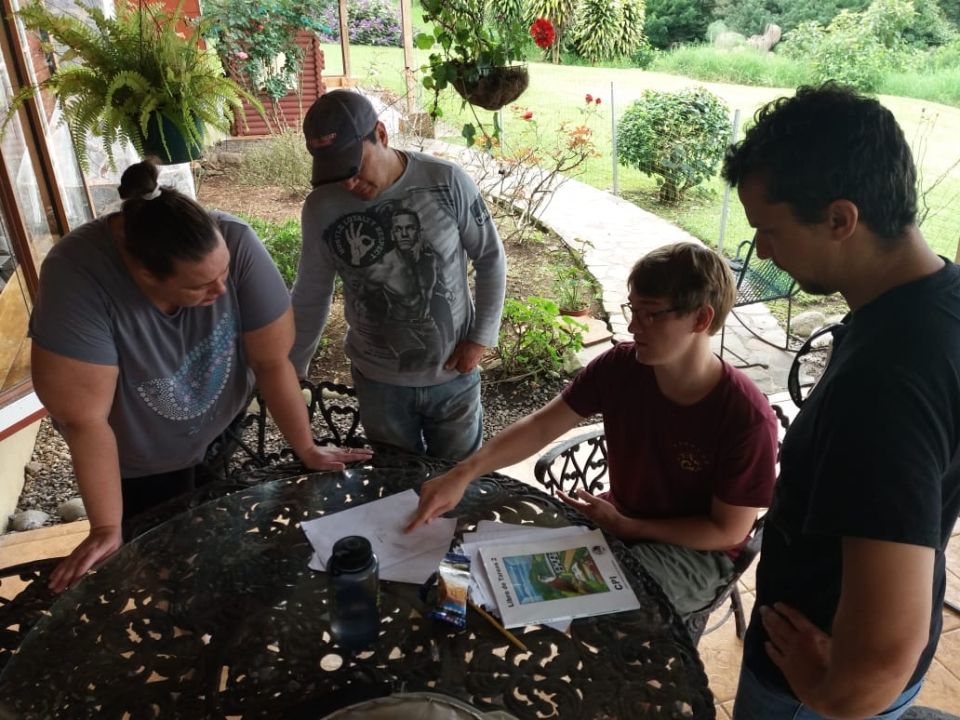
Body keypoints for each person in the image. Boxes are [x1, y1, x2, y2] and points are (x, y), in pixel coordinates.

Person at [722, 83, 960, 719]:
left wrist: (831, 695)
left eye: (768, 231)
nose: (762, 251)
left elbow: (879, 660)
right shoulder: (943, 295)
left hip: (811, 686)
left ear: (839, 219)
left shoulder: (886, 381)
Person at [30, 160, 372, 594]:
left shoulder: (234, 240)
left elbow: (271, 362)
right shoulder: (77, 276)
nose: (221, 293)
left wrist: (305, 447)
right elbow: (85, 420)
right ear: (145, 275)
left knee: (224, 543)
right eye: (201, 287)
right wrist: (105, 527)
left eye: (224, 273)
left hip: (218, 434)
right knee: (165, 570)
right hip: (135, 461)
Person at [407, 242, 779, 616]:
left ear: (700, 319)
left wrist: (633, 529)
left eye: (650, 315)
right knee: (506, 569)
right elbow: (541, 425)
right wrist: (464, 472)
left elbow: (728, 531)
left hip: (697, 551)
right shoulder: (620, 367)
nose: (634, 327)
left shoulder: (744, 418)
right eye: (633, 310)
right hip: (621, 515)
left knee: (599, 607)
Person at [290, 90, 506, 461]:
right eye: (335, 173)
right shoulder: (321, 206)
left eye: (354, 168)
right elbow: (312, 291)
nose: (348, 184)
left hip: (452, 377)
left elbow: (489, 257)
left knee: (459, 484)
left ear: (382, 134)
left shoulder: (446, 181)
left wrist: (480, 338)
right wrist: (293, 369)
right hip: (378, 384)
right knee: (395, 489)